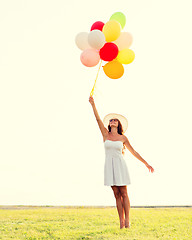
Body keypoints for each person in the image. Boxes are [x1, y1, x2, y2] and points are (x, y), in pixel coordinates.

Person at [89, 96, 154, 229]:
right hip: (109, 166)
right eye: (111, 120)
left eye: (115, 120)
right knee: (116, 194)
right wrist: (93, 104)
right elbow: (97, 119)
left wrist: (146, 163)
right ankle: (121, 222)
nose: (112, 121)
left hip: (120, 165)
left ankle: (128, 220)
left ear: (119, 124)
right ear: (109, 124)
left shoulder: (123, 137)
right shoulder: (105, 134)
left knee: (124, 193)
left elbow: (134, 152)